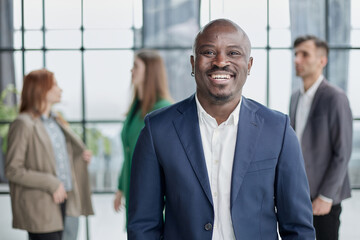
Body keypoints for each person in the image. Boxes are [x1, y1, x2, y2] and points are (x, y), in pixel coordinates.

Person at [127, 19, 315, 239]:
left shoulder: (278, 130)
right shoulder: (157, 130)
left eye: (234, 53)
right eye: (208, 52)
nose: (220, 61)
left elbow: (298, 228)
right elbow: (143, 226)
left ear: (249, 65)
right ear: (193, 63)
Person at [5, 69, 94, 240]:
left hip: (67, 199)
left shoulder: (56, 121)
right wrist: (51, 183)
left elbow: (55, 159)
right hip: (42, 205)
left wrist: (79, 158)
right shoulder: (23, 123)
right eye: (54, 85)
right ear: (40, 89)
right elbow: (13, 169)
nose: (60, 90)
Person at [289, 35, 353, 240]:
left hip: (324, 199)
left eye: (304, 54)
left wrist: (326, 197)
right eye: (296, 54)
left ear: (322, 61)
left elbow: (342, 153)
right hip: (299, 194)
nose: (297, 60)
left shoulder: (335, 97)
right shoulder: (295, 97)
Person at [113, 49, 172, 226]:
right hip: (134, 187)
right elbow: (129, 151)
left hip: (151, 192)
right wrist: (121, 188)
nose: (132, 71)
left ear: (150, 72)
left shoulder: (163, 109)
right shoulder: (136, 108)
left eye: (136, 66)